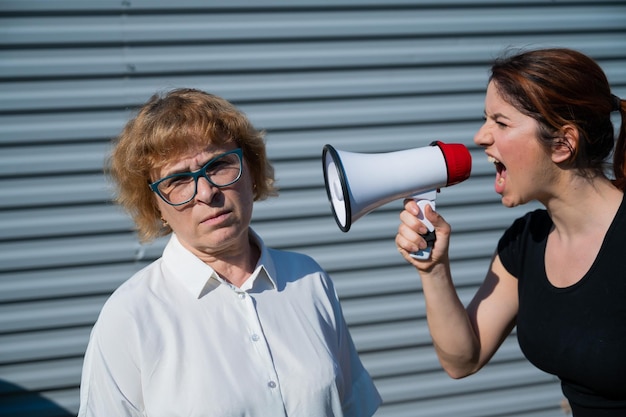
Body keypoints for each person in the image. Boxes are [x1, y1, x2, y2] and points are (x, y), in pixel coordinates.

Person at [78, 88, 381, 417]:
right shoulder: (130, 317)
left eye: (218, 164)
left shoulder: (308, 280)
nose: (206, 192)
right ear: (156, 206)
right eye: (178, 179)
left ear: (250, 170)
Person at [395, 48, 626, 416]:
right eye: (485, 119)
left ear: (564, 144)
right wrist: (433, 269)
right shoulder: (525, 242)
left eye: (501, 123)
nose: (479, 137)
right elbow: (463, 359)